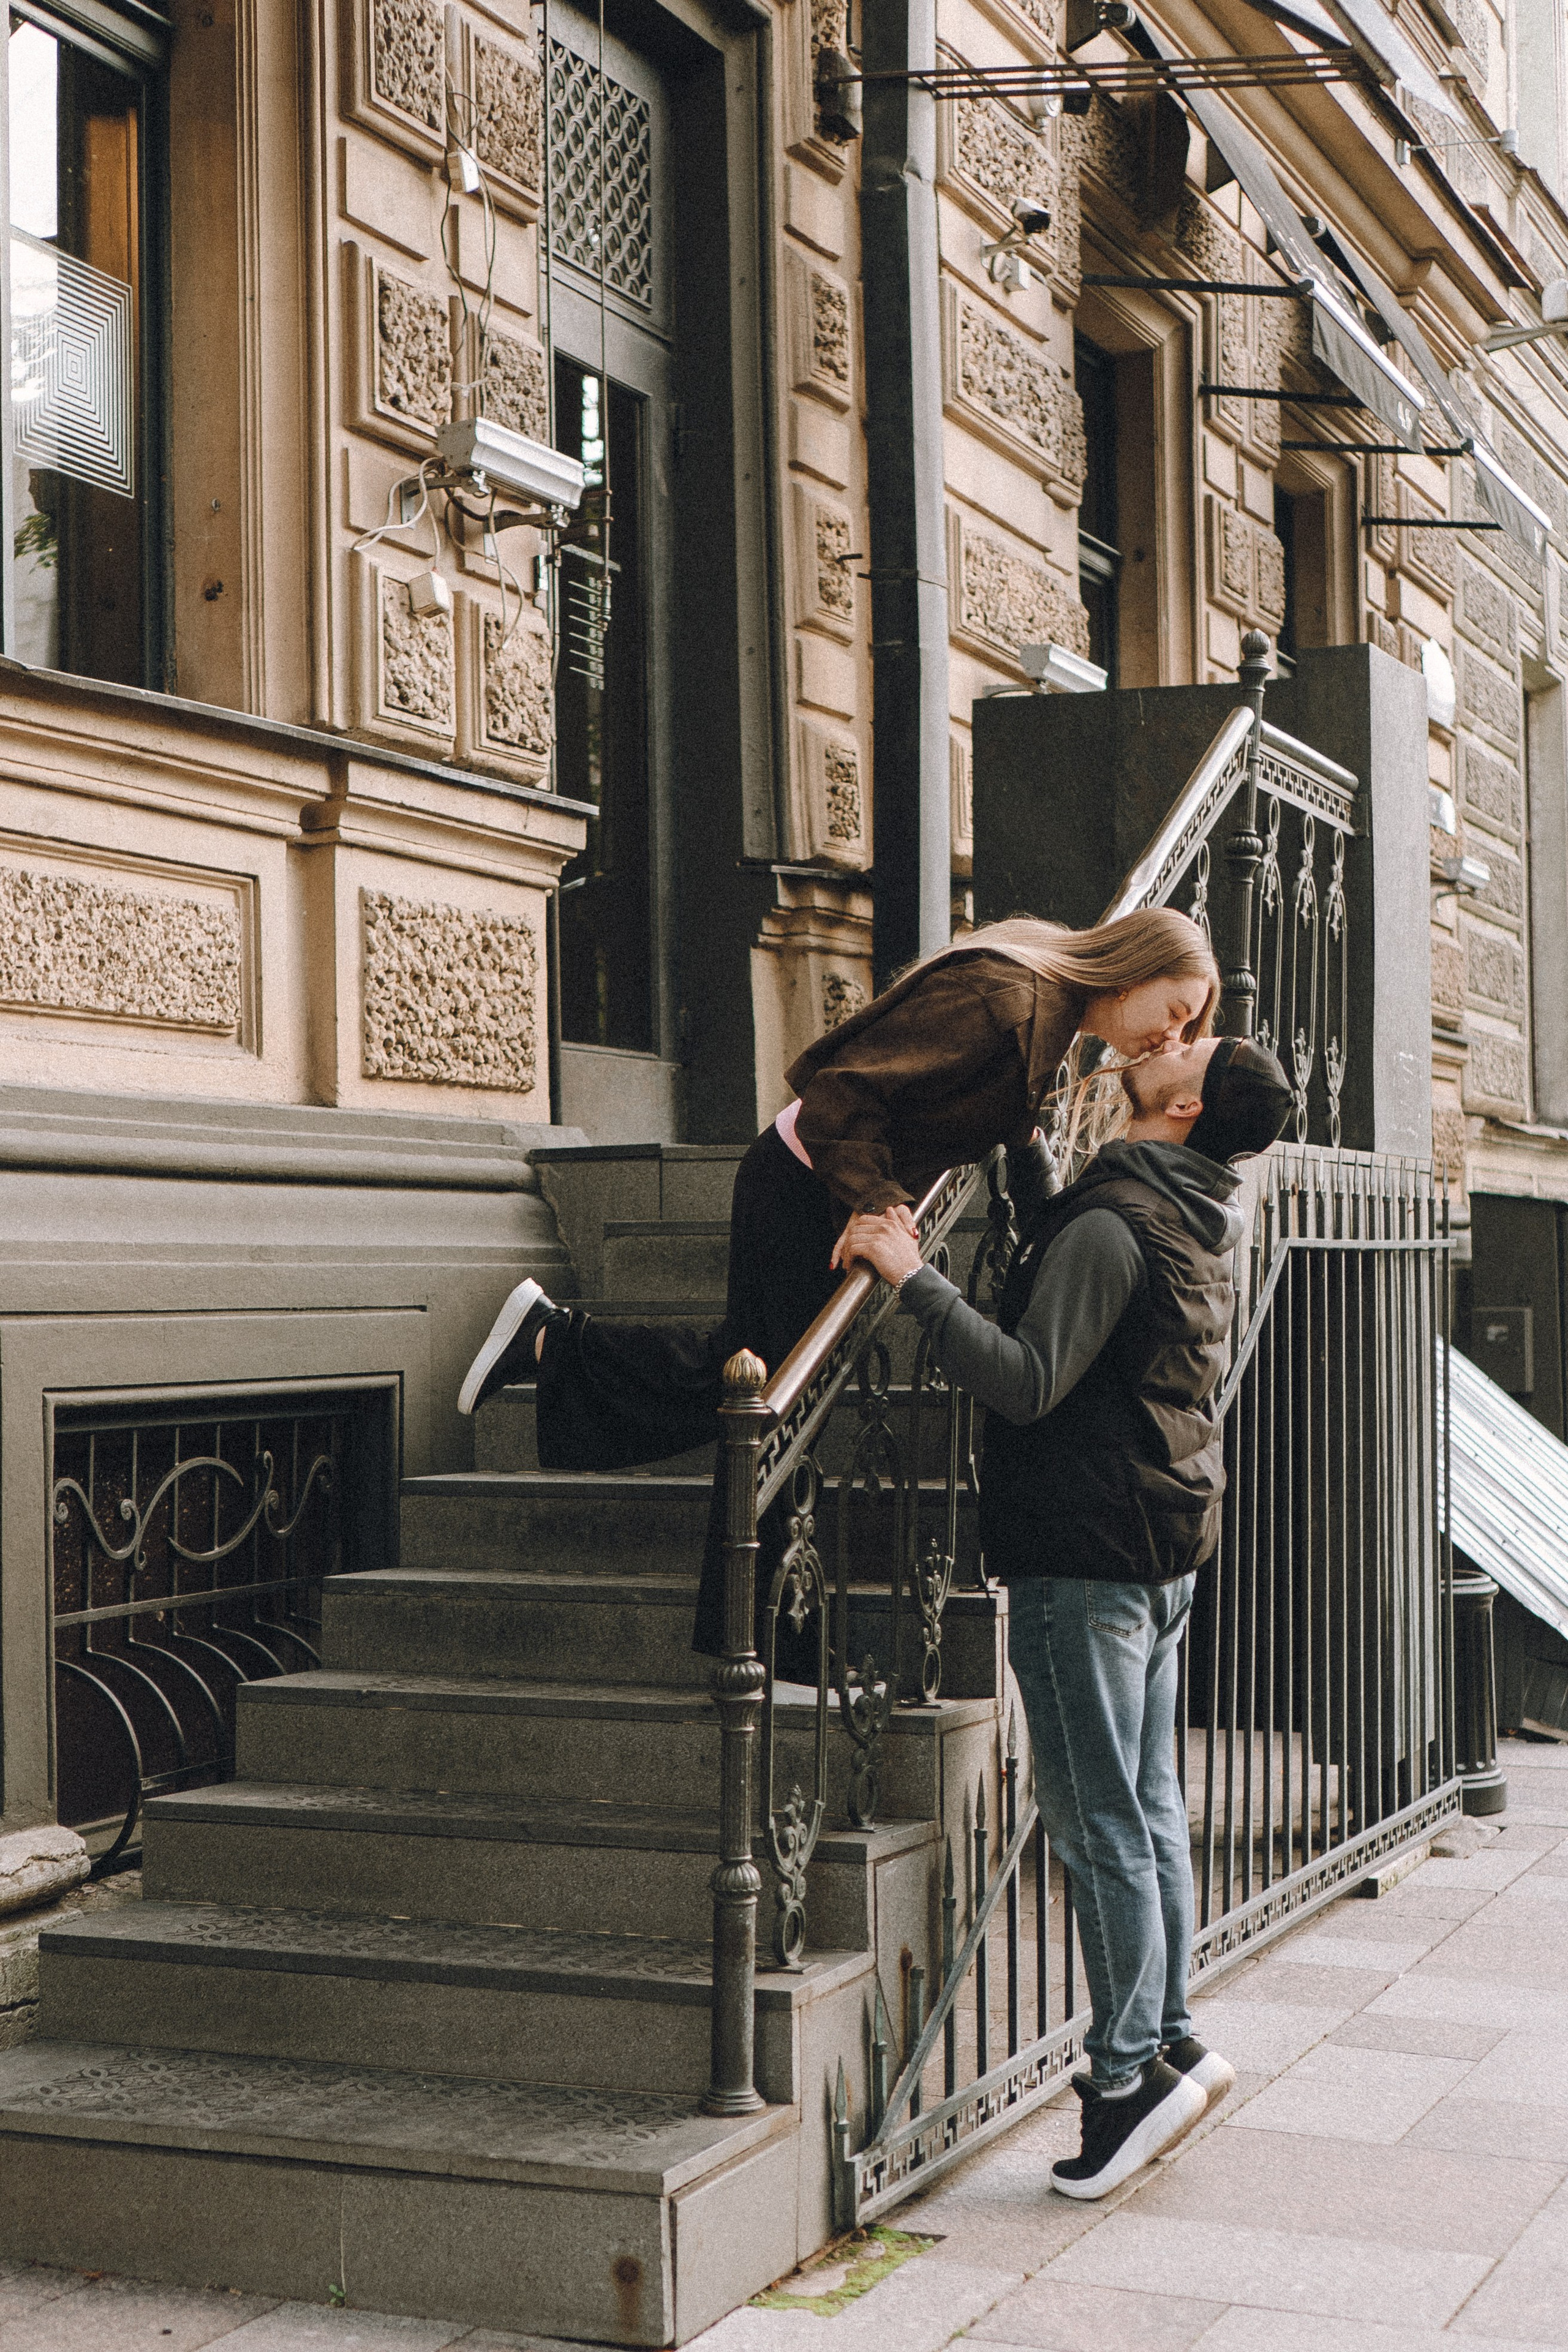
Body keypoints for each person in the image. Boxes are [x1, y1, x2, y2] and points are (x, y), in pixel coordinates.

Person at [454, 908, 1221, 1659]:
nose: (1173, 1037)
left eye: (1190, 1034)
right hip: (801, 1184)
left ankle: (765, 1632)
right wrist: (880, 1203)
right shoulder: (1007, 1001)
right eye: (1178, 1011)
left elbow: (1008, 1118)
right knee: (758, 1384)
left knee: (778, 1396)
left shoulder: (1046, 1017)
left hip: (825, 1188)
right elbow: (839, 1094)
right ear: (1134, 970)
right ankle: (555, 1344)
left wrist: (1041, 1194)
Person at [840, 1032, 1293, 2201]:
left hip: (1086, 1560)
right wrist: (1034, 1161)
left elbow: (1030, 1377)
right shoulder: (1194, 1209)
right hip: (1155, 1542)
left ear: (1186, 1103)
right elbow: (1099, 1299)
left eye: (1186, 1045)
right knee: (1147, 1807)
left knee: (1100, 1830)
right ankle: (1175, 2035)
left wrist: (911, 1273)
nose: (1164, 1042)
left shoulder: (1120, 1225)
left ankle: (1128, 2080)